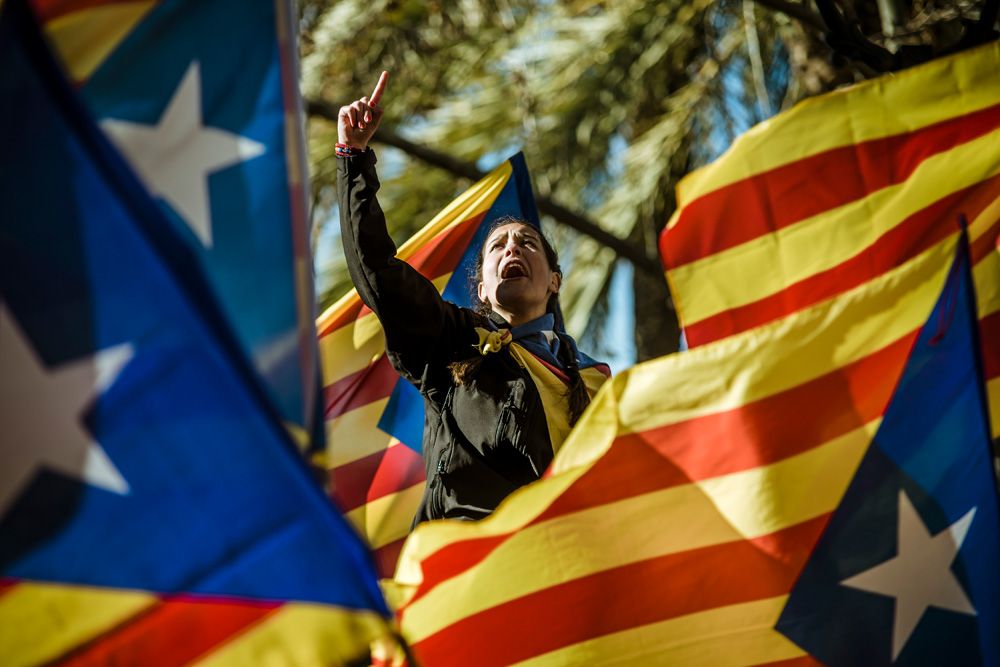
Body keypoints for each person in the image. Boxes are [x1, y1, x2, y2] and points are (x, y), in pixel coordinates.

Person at [337, 72, 610, 525]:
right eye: (498, 246)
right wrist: (354, 158)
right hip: (470, 569)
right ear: (481, 288)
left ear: (555, 282)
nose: (513, 249)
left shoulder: (597, 383)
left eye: (527, 242)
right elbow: (379, 273)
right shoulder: (452, 344)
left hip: (564, 564)